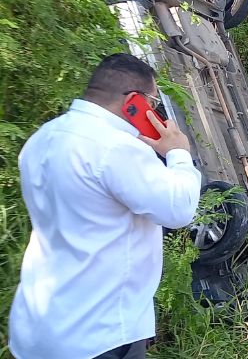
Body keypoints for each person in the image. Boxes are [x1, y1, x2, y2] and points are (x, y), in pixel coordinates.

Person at [9, 53, 202, 359]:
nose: (154, 113)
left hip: (35, 331)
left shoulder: (42, 138)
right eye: (152, 104)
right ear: (134, 103)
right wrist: (178, 154)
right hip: (97, 336)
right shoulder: (115, 147)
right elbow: (178, 209)